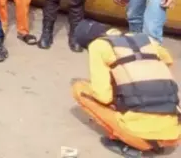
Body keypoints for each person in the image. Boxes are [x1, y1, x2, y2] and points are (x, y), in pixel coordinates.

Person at [70, 20, 180, 157]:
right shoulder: (144, 39)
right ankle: (155, 137)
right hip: (174, 134)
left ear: (88, 42)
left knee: (79, 88)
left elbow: (104, 97)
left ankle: (127, 143)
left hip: (141, 138)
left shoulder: (97, 46)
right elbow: (168, 60)